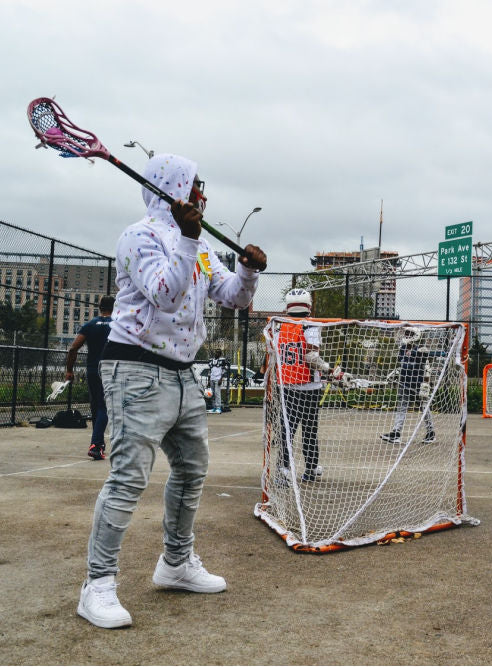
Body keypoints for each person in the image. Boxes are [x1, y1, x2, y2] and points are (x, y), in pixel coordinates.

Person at [76, 153, 267, 629]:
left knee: (191, 470)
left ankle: (176, 564)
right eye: (196, 185)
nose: (203, 194)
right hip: (135, 368)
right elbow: (165, 292)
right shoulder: (137, 236)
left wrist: (247, 271)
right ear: (175, 188)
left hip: (183, 372)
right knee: (129, 477)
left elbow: (234, 298)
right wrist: (187, 238)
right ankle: (97, 586)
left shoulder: (197, 246)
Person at [271, 288, 335, 483]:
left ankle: (284, 469)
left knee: (287, 430)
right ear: (308, 305)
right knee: (309, 429)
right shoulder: (309, 326)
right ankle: (311, 468)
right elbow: (311, 356)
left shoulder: (279, 326)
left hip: (287, 386)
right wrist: (329, 370)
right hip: (309, 386)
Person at [65, 295, 115, 460]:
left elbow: (73, 349)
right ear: (114, 307)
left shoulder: (90, 325)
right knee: (103, 407)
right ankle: (95, 445)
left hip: (93, 370)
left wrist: (69, 371)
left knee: (96, 406)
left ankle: (98, 444)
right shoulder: (117, 325)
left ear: (99, 307)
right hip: (109, 371)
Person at [381, 326, 436, 445]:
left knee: (424, 408)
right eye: (405, 334)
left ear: (415, 336)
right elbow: (402, 363)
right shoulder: (403, 349)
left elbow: (426, 367)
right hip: (404, 383)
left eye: (408, 334)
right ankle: (396, 433)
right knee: (402, 407)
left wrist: (425, 384)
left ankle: (431, 433)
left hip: (417, 384)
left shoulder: (421, 350)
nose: (406, 336)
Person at [207, 349, 228, 413]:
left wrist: (221, 379)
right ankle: (214, 407)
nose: (216, 354)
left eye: (218, 353)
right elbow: (209, 371)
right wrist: (208, 381)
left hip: (218, 379)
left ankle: (218, 407)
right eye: (215, 352)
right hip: (212, 379)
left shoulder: (222, 361)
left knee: (217, 393)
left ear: (220, 354)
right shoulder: (211, 361)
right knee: (212, 394)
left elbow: (224, 371)